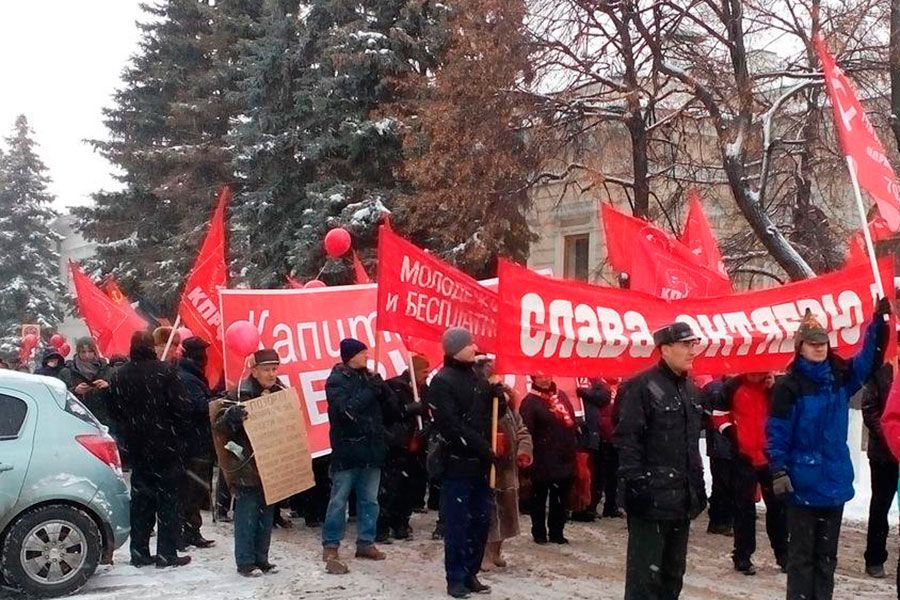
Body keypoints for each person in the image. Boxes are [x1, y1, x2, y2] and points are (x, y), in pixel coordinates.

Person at [768, 302, 889, 600]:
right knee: (801, 559)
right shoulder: (788, 387)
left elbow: (869, 360)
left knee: (826, 559)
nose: (820, 348)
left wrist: (878, 323)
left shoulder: (840, 378)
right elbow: (777, 433)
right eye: (813, 343)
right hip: (801, 484)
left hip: (833, 483)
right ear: (800, 347)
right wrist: (778, 469)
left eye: (823, 342)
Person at [615, 322, 707, 600]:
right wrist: (636, 486)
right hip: (650, 500)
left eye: (694, 344)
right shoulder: (641, 387)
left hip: (681, 500)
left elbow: (691, 447)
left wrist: (698, 488)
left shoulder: (691, 390)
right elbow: (628, 441)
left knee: (672, 577)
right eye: (685, 345)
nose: (692, 351)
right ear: (665, 349)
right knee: (645, 580)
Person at [108, 331, 192, 569]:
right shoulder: (165, 372)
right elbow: (182, 408)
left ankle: (139, 552)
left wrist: (132, 428)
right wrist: (175, 431)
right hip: (166, 445)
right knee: (168, 501)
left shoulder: (119, 375)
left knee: (141, 501)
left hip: (137, 447)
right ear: (152, 348)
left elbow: (114, 411)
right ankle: (167, 553)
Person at [321, 338, 397, 574]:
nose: (367, 356)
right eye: (363, 353)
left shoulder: (369, 378)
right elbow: (346, 410)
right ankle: (331, 543)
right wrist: (369, 391)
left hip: (371, 450)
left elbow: (392, 409)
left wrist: (383, 389)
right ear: (351, 356)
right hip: (348, 450)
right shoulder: (336, 381)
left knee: (370, 501)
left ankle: (366, 542)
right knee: (338, 500)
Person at [429, 327, 495, 599]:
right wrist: (482, 448)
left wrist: (497, 397)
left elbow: (487, 417)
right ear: (456, 349)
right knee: (458, 524)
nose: (475, 347)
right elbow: (451, 425)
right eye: (470, 344)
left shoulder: (478, 378)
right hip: (458, 464)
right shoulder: (442, 381)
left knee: (480, 522)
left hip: (479, 465)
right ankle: (455, 577)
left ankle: (471, 572)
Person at [214, 349, 283, 577]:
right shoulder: (240, 394)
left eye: (274, 369)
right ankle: (245, 562)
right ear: (254, 371)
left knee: (266, 514)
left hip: (271, 462)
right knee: (247, 514)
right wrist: (231, 417)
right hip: (247, 464)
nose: (272, 374)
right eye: (266, 369)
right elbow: (219, 427)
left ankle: (262, 559)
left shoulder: (281, 391)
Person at [712, 373, 787, 575]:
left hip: (770, 456)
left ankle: (784, 555)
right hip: (743, 457)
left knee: (778, 508)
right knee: (744, 509)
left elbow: (788, 413)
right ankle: (743, 555)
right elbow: (718, 414)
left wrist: (773, 389)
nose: (756, 372)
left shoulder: (777, 387)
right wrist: (732, 435)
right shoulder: (731, 386)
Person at [475, 358, 532, 572]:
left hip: (509, 469)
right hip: (492, 469)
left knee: (507, 515)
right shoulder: (481, 403)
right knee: (492, 517)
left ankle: (497, 551)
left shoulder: (506, 404)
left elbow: (521, 429)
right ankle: (485, 555)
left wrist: (524, 451)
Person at [521, 373, 577, 545]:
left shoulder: (561, 396)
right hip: (542, 457)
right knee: (539, 496)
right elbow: (526, 430)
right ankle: (538, 532)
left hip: (563, 456)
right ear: (534, 379)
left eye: (547, 375)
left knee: (560, 498)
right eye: (540, 377)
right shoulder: (530, 401)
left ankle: (557, 531)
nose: (545, 380)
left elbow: (572, 420)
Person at [379, 354, 430, 541]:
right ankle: (383, 525)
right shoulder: (394, 386)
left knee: (411, 486)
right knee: (391, 487)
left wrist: (426, 425)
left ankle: (401, 522)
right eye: (424, 372)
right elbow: (389, 413)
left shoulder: (425, 389)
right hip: (397, 444)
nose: (427, 375)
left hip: (416, 445)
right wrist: (409, 409)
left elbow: (430, 411)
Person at [176, 337, 216, 550]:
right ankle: (187, 532)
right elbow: (197, 407)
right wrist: (216, 402)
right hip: (193, 443)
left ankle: (191, 530)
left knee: (195, 489)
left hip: (195, 441)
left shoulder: (191, 375)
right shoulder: (189, 378)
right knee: (191, 490)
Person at [861, 355, 897, 580]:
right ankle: (874, 557)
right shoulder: (881, 372)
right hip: (884, 454)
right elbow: (869, 410)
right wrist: (893, 438)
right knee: (881, 505)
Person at [571, 378, 611, 522]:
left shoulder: (595, 380)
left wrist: (585, 393)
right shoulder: (568, 379)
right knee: (579, 474)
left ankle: (589, 506)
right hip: (575, 434)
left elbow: (604, 397)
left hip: (592, 435)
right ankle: (576, 506)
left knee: (594, 474)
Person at [702, 377, 737, 536]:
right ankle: (722, 521)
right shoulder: (717, 389)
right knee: (726, 484)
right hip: (723, 443)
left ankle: (719, 521)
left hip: (720, 444)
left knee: (722, 484)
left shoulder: (712, 387)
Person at [60, 337, 113, 426]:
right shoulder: (67, 371)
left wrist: (108, 386)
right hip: (78, 419)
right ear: (78, 352)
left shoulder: (106, 370)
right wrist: (75, 391)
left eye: (90, 351)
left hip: (103, 418)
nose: (87, 355)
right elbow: (60, 394)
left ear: (95, 352)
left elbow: (118, 393)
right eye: (83, 352)